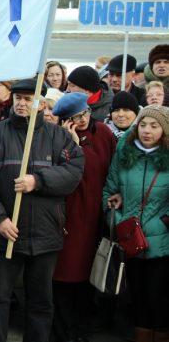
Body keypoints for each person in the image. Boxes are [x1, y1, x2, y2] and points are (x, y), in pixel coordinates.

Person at [0, 78, 84, 342]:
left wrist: (38, 181)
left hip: (45, 235)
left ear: (42, 103)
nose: (22, 103)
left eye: (28, 99)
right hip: (4, 235)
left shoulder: (60, 137)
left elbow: (74, 172)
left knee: (41, 301)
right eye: (18, 98)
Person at [50, 93, 116, 342]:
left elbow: (111, 169)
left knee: (88, 278)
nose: (83, 120)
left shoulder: (105, 135)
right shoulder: (58, 139)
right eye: (76, 118)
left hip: (94, 217)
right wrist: (72, 145)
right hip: (67, 219)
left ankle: (79, 329)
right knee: (64, 277)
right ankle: (62, 332)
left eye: (85, 114)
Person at [103, 105, 169, 342]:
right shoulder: (125, 150)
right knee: (137, 299)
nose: (147, 131)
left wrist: (163, 223)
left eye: (154, 126)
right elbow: (109, 190)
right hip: (129, 239)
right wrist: (118, 220)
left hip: (161, 243)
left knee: (159, 299)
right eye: (143, 125)